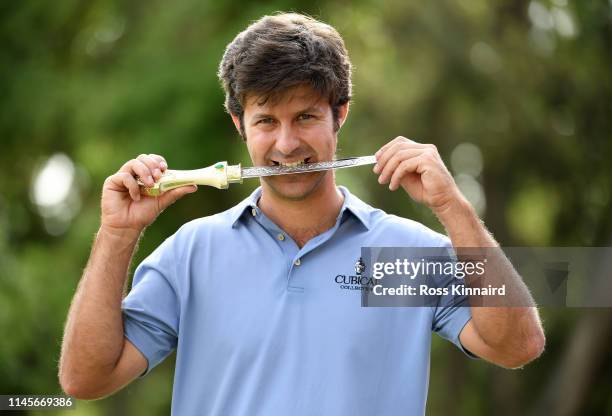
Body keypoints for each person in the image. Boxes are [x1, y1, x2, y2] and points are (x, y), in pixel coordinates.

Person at [58, 12, 545, 415]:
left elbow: (517, 346)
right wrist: (117, 234)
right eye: (266, 121)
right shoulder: (192, 253)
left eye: (306, 117)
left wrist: (453, 207)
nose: (287, 144)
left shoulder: (401, 257)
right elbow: (85, 378)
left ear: (340, 114)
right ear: (239, 125)